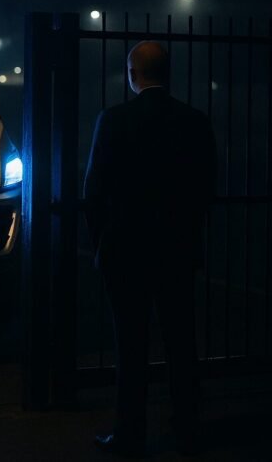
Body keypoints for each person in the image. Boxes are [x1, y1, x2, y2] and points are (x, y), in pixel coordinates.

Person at [84, 41, 216, 456]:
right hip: (176, 246)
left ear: (131, 73)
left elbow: (94, 191)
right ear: (167, 73)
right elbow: (207, 186)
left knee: (131, 344)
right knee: (181, 340)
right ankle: (187, 427)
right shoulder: (194, 121)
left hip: (125, 249)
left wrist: (100, 242)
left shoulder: (114, 120)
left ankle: (130, 432)